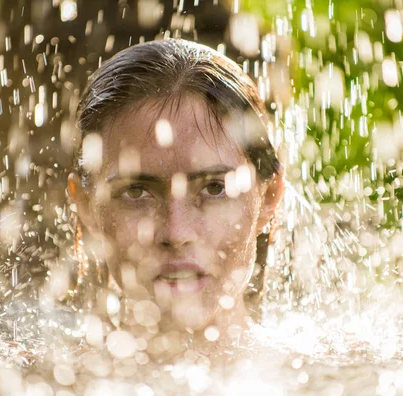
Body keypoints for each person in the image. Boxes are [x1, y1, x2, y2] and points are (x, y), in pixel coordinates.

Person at [67, 39, 284, 361]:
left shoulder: (345, 384)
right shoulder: (18, 386)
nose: (176, 232)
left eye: (214, 189)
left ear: (268, 197)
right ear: (86, 206)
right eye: (136, 191)